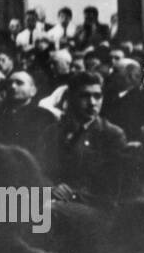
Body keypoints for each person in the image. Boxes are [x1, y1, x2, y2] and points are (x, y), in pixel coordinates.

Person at [39, 72, 132, 205]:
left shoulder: (112, 134)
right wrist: (50, 189)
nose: (92, 103)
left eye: (97, 96)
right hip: (54, 200)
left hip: (92, 207)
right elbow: (40, 170)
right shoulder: (53, 132)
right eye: (84, 96)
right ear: (71, 98)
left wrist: (73, 195)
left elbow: (112, 187)